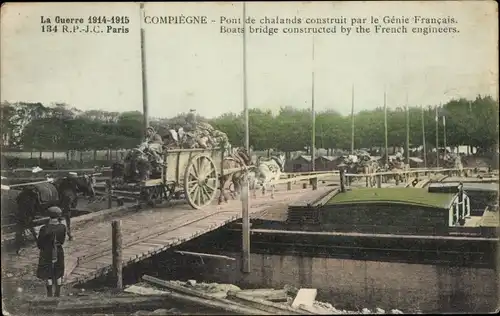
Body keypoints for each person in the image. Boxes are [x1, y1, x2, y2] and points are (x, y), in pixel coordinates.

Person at [36, 206, 66, 297]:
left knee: (48, 273)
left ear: (49, 216)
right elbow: (62, 241)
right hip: (59, 251)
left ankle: (49, 294)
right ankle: (57, 293)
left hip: (47, 252)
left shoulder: (44, 228)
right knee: (59, 272)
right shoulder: (62, 227)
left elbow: (39, 244)